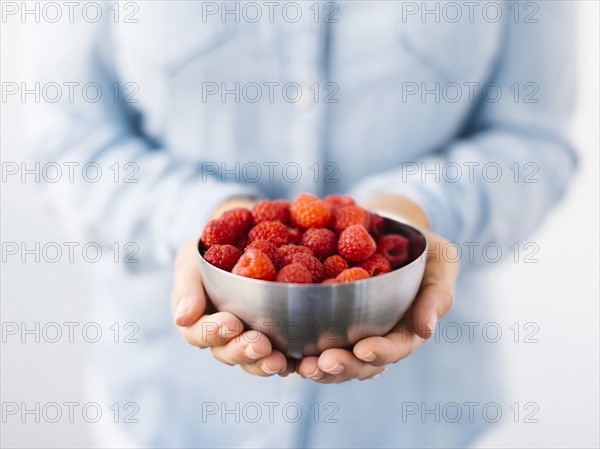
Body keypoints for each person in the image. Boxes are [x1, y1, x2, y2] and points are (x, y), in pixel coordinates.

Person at [26, 1, 576, 447]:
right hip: (169, 411)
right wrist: (197, 222)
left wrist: (412, 210)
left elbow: (532, 141)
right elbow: (65, 138)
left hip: (422, 420)